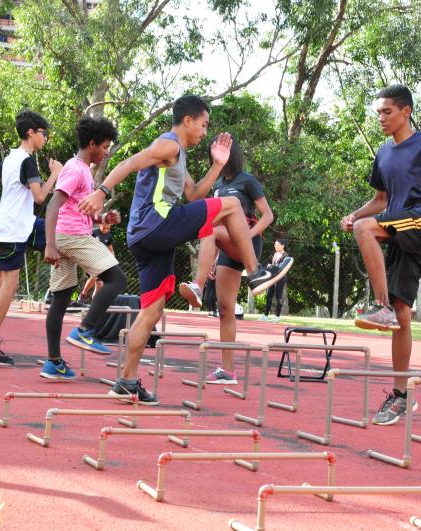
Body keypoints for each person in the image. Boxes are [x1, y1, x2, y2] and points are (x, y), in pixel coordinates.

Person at [78, 95, 283, 404]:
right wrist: (101, 192)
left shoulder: (179, 156)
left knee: (152, 310)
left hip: (145, 238)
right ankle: (255, 272)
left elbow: (195, 195)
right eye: (203, 125)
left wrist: (217, 165)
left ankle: (127, 381)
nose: (204, 132)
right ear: (188, 120)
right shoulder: (169, 145)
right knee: (230, 205)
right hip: (155, 224)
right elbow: (129, 162)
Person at [340, 85, 421, 426]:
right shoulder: (383, 153)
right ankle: (401, 396)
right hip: (398, 227)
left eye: (387, 112)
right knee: (404, 315)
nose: (381, 118)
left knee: (365, 230)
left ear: (405, 111)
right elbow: (381, 200)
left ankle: (379, 307)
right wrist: (355, 213)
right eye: (379, 112)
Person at [0, 110, 61, 366]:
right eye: (44, 134)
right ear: (31, 133)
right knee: (8, 288)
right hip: (15, 230)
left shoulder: (10, 159)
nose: (46, 139)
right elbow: (40, 197)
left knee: (61, 236)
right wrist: (55, 175)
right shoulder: (26, 161)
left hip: (20, 226)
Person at [41, 116, 127, 381]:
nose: (106, 152)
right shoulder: (76, 169)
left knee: (61, 299)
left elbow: (76, 210)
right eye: (104, 147)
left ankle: (53, 363)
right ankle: (85, 330)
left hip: (68, 235)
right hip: (71, 237)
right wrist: (50, 244)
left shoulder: (83, 172)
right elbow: (53, 204)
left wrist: (102, 219)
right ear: (91, 143)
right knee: (116, 278)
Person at [200, 138, 277, 385]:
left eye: (219, 152)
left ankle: (256, 272)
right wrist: (211, 258)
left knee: (207, 227)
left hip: (248, 243)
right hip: (224, 244)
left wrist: (247, 236)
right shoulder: (218, 184)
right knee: (225, 309)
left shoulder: (247, 180)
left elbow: (268, 215)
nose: (215, 157)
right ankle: (228, 371)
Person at [78, 222, 115, 304]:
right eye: (104, 228)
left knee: (99, 284)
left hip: (101, 260)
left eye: (108, 228)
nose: (106, 230)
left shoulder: (109, 236)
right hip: (90, 259)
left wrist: (113, 259)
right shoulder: (93, 233)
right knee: (94, 276)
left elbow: (111, 250)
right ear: (100, 225)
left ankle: (94, 303)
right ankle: (83, 295)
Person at [261, 239, 293, 322]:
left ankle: (277, 316)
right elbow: (274, 266)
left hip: (280, 278)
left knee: (278, 297)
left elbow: (281, 267)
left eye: (277, 245)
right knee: (268, 296)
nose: (275, 246)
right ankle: (265, 315)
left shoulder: (286, 256)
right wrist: (270, 265)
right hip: (272, 278)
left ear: (282, 246)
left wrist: (272, 267)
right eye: (275, 245)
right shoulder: (275, 254)